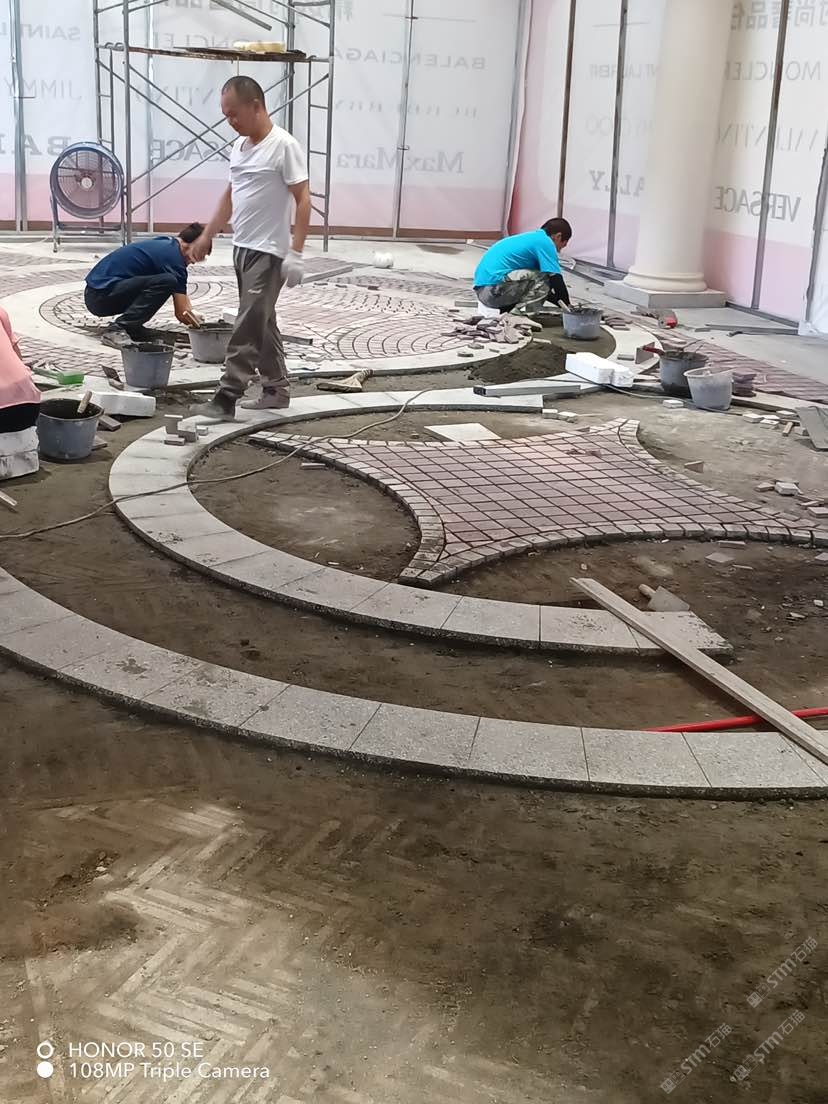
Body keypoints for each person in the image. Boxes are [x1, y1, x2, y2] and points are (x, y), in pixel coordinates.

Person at [187, 75, 311, 419]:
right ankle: (276, 389)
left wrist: (296, 252)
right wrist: (207, 234)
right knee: (262, 321)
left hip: (269, 252)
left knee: (247, 325)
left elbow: (303, 199)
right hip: (243, 248)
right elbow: (231, 195)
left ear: (256, 106)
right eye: (225, 115)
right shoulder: (239, 147)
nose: (230, 122)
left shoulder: (283, 146)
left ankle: (226, 396)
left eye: (234, 114)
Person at [84, 223, 207, 345]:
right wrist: (204, 331)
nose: (194, 261)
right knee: (167, 281)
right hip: (100, 296)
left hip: (98, 292)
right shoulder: (174, 258)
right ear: (189, 245)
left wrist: (193, 313)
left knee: (167, 281)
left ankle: (132, 327)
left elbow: (182, 295)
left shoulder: (167, 244)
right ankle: (118, 328)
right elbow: (181, 313)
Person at [473, 218, 573, 315]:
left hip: (484, 291)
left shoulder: (531, 238)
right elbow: (556, 280)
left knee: (540, 280)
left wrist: (561, 304)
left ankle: (510, 313)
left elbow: (541, 290)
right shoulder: (545, 242)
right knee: (543, 277)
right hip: (494, 290)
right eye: (561, 246)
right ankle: (520, 316)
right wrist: (568, 306)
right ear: (558, 236)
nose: (558, 251)